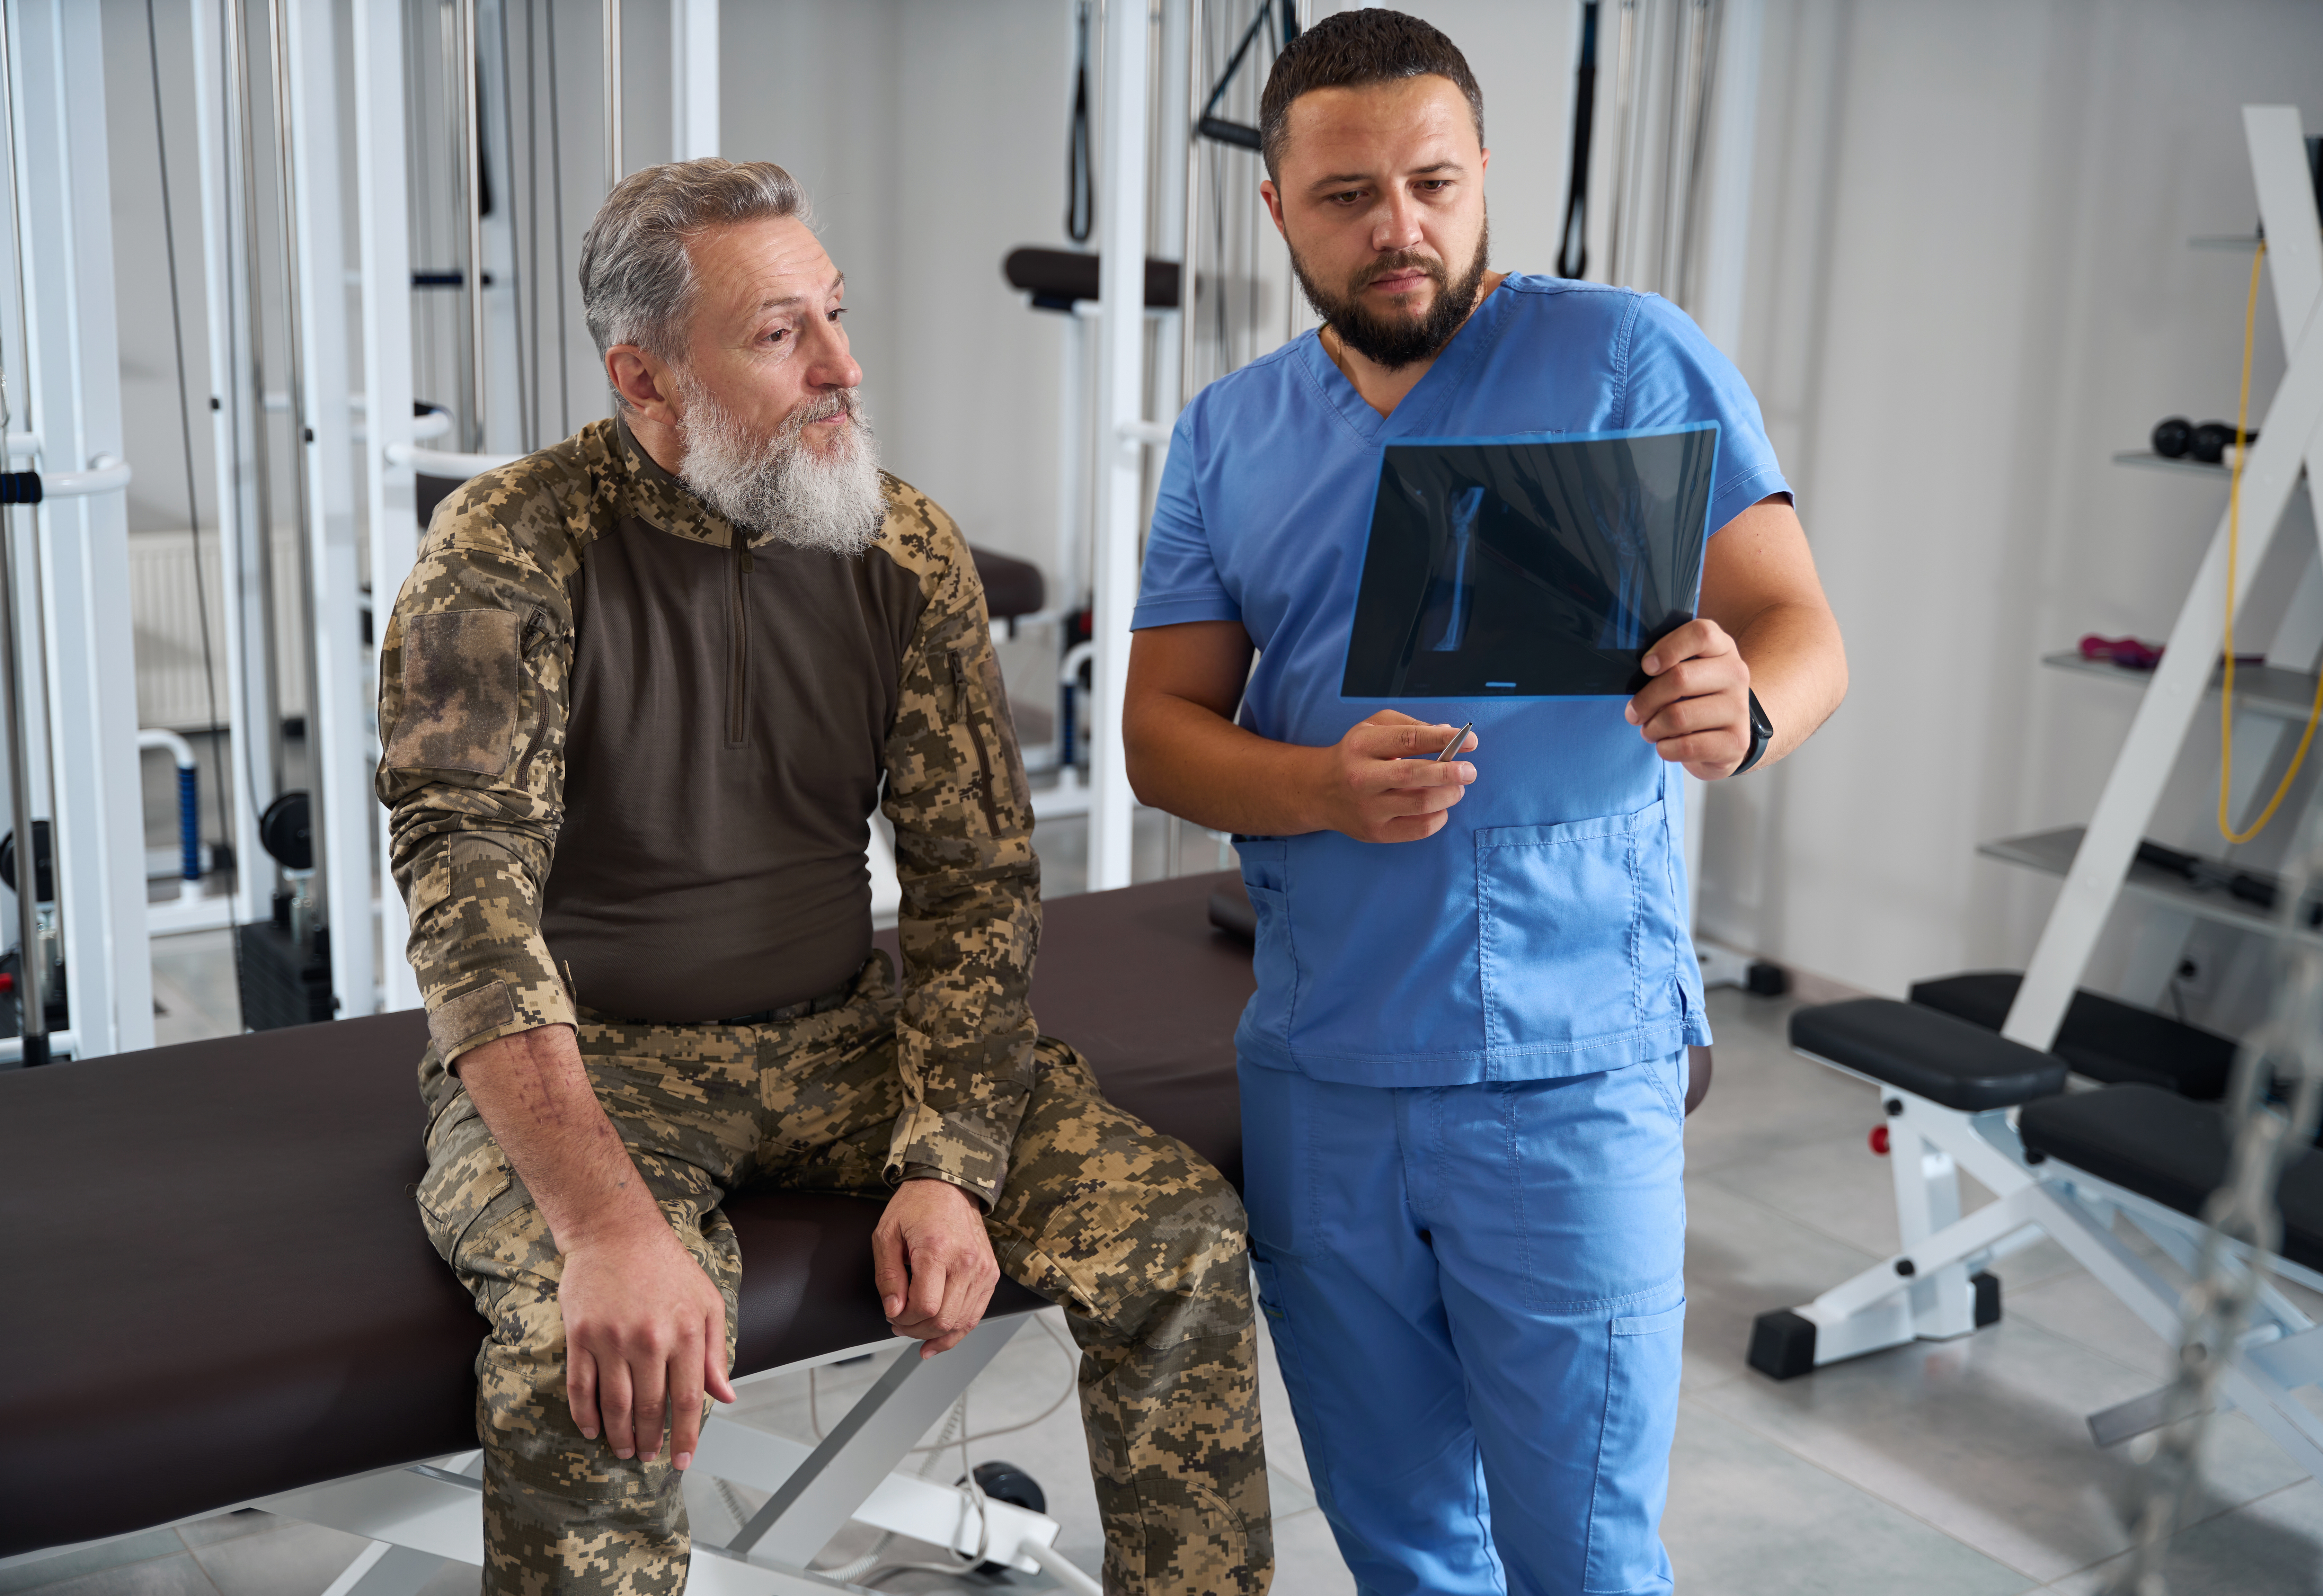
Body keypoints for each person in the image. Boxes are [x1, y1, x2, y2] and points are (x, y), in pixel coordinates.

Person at [378, 158, 1270, 1596]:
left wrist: (948, 1159)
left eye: (836, 319)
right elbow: (466, 906)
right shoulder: (509, 550)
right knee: (587, 1359)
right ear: (647, 379)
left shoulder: (899, 545)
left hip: (844, 1039)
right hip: (599, 1060)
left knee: (1177, 1241)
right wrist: (609, 1231)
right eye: (782, 334)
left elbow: (973, 877)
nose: (842, 368)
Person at [1123, 14, 1846, 1596]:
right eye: (1348, 196)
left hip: (1568, 1069)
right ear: (1277, 210)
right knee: (1400, 1545)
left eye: (1434, 183)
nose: (1400, 228)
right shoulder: (1231, 436)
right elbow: (1160, 738)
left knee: (1580, 1553)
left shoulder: (1624, 356)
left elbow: (1801, 630)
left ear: (1482, 177)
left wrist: (1748, 706)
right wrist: (1313, 784)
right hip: (1325, 1071)